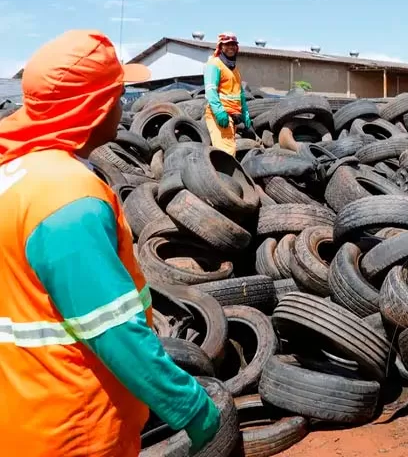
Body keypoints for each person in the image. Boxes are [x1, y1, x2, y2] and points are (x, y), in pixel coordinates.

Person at [0, 30, 221, 456]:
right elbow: (112, 328)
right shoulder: (68, 199)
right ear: (94, 107)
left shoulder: (16, 176)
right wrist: (191, 407)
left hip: (23, 414)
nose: (122, 108)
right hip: (75, 429)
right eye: (117, 96)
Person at [204, 32, 252, 156]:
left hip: (232, 117)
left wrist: (245, 112)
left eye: (233, 44)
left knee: (228, 152)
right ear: (221, 47)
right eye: (227, 44)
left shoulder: (234, 69)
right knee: (227, 154)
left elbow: (239, 93)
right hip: (220, 116)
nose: (231, 47)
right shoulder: (214, 64)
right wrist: (219, 112)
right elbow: (210, 90)